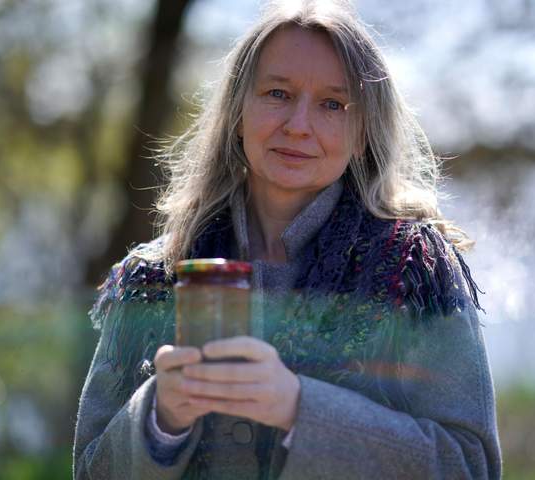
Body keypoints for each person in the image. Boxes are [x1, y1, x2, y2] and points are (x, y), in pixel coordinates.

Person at [73, 0, 502, 478]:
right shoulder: (150, 278)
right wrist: (160, 419)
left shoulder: (414, 271)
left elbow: (469, 465)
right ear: (238, 112)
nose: (298, 126)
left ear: (363, 132)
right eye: (277, 93)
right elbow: (88, 471)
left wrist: (300, 408)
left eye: (332, 105)